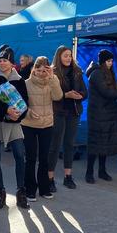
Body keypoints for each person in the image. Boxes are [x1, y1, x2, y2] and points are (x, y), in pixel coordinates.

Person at [0, 47, 29, 210]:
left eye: (5, 60)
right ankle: (0, 192)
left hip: (14, 123)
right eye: (0, 61)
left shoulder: (20, 80)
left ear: (12, 63)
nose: (2, 63)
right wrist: (5, 111)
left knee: (19, 155)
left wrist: (18, 116)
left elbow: (25, 103)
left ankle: (21, 191)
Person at [86, 50, 117, 183]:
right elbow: (106, 92)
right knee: (95, 144)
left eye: (112, 61)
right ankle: (89, 173)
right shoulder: (96, 74)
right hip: (97, 114)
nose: (111, 63)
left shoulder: (108, 73)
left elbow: (112, 90)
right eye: (108, 61)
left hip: (108, 113)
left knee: (104, 144)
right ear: (102, 62)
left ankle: (102, 171)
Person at [21, 56, 63, 201]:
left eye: (44, 70)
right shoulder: (26, 83)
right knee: (31, 158)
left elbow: (58, 97)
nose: (41, 73)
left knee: (44, 158)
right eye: (38, 70)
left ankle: (44, 188)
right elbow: (20, 103)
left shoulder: (52, 81)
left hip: (46, 125)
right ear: (34, 70)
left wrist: (52, 78)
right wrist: (28, 112)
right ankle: (29, 189)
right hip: (29, 125)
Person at [48, 46, 86, 191]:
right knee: (55, 146)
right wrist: (66, 95)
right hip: (58, 112)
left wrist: (80, 95)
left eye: (70, 55)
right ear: (59, 57)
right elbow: (51, 94)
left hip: (74, 112)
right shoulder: (53, 72)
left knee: (70, 144)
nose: (69, 58)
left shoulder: (77, 71)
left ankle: (68, 176)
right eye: (65, 56)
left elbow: (85, 92)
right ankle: (50, 178)